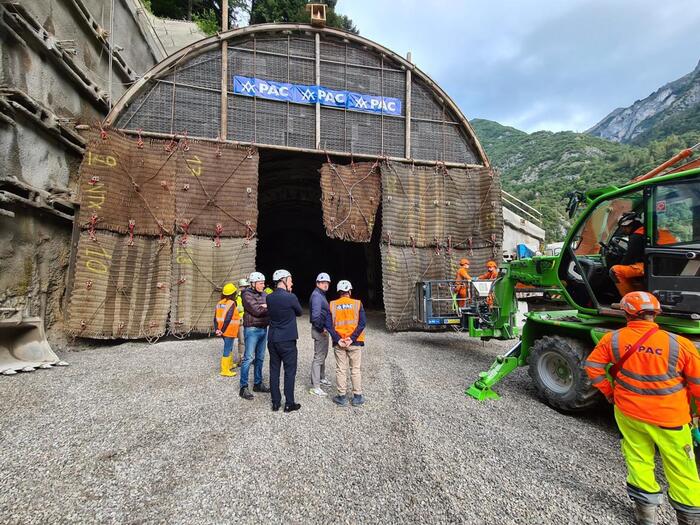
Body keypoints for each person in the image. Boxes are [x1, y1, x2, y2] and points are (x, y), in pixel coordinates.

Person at [584, 291, 700, 525]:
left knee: (638, 459)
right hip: (671, 419)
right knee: (682, 468)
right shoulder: (680, 345)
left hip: (628, 413)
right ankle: (689, 517)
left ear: (626, 312)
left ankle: (646, 515)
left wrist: (609, 393)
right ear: (655, 313)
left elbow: (593, 366)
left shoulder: (613, 339)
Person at [610, 212, 678, 296]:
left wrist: (621, 263)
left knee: (616, 271)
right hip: (670, 266)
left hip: (656, 267)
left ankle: (630, 299)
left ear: (629, 225)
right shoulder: (657, 232)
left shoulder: (637, 236)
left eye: (623, 228)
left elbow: (628, 259)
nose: (623, 231)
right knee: (635, 268)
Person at [266, 269, 302, 412]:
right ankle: (289, 403)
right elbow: (299, 312)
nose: (292, 282)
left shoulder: (269, 298)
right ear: (284, 280)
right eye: (290, 279)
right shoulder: (291, 297)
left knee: (274, 370)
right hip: (287, 339)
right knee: (289, 371)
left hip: (273, 338)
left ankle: (275, 403)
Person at [326, 280, 366, 407]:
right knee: (355, 369)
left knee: (341, 369)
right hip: (354, 343)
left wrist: (338, 339)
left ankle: (342, 397)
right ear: (349, 291)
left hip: (339, 343)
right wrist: (352, 339)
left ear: (339, 292)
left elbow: (328, 325)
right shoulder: (357, 304)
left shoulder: (332, 304)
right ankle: (357, 396)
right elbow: (362, 323)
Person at [239, 271, 270, 400]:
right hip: (252, 329)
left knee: (261, 358)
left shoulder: (264, 294)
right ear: (253, 283)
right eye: (261, 283)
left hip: (263, 328)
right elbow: (257, 311)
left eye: (263, 282)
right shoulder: (246, 294)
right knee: (248, 358)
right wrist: (267, 307)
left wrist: (266, 306)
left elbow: (270, 307)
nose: (263, 285)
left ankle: (258, 383)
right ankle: (243, 387)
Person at [309, 272, 332, 397]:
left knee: (323, 355)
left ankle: (321, 378)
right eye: (323, 282)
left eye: (327, 282)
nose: (325, 284)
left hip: (322, 329)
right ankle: (315, 386)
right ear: (317, 283)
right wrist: (321, 328)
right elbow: (315, 316)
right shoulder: (317, 296)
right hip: (319, 330)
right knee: (318, 357)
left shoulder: (320, 294)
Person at [214, 282, 240, 378]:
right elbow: (228, 318)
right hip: (228, 330)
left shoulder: (219, 303)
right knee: (227, 348)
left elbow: (215, 318)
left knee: (229, 347)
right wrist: (223, 330)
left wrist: (218, 329)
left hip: (222, 330)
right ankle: (225, 370)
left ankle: (229, 365)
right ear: (233, 293)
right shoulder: (232, 303)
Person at [234, 278, 249, 368]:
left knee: (245, 340)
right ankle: (242, 358)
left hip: (247, 319)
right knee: (242, 341)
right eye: (245, 287)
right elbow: (238, 308)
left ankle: (247, 357)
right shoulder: (238, 296)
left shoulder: (246, 295)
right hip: (241, 320)